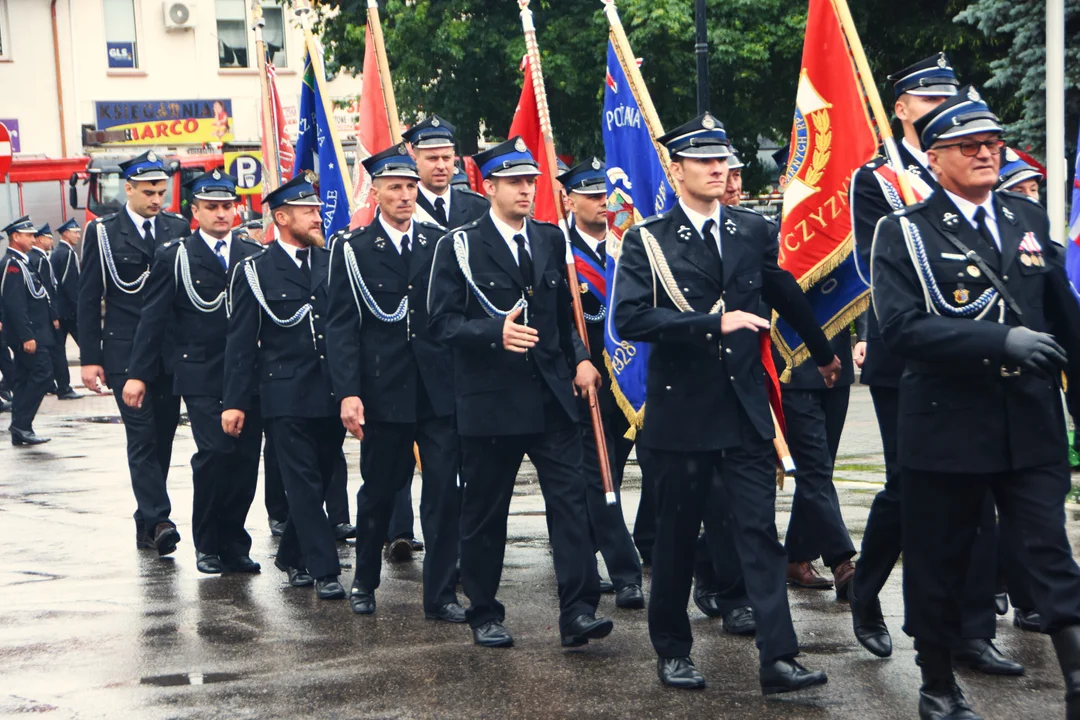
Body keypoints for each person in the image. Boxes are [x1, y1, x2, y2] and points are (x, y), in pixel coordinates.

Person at [872, 84, 1080, 720]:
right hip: (948, 427)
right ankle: (937, 682)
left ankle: (1077, 684)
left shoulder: (1027, 220)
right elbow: (902, 329)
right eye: (969, 146)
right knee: (942, 557)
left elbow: (1065, 323)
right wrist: (1001, 339)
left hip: (1029, 427)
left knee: (1049, 550)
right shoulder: (903, 231)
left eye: (992, 144)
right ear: (936, 159)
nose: (987, 154)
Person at [613, 112, 841, 693]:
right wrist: (709, 324)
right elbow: (631, 317)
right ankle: (673, 648)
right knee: (678, 537)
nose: (719, 170)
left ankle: (779, 658)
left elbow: (779, 287)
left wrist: (820, 348)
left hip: (742, 408)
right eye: (705, 161)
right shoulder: (648, 239)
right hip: (681, 412)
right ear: (676, 169)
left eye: (725, 161)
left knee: (758, 533)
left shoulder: (749, 230)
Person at [847, 54, 1015, 675]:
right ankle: (866, 592)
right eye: (925, 98)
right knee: (908, 488)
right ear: (900, 108)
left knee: (980, 491)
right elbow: (877, 265)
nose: (938, 105)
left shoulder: (976, 169)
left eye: (948, 94)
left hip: (984, 357)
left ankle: (972, 631)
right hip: (909, 356)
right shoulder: (878, 180)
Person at [428, 137, 614, 649]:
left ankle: (577, 611)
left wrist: (580, 357)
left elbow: (562, 315)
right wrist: (493, 332)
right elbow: (440, 324)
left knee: (571, 506)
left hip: (551, 396)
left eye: (531, 180)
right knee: (486, 513)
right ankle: (484, 611)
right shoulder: (460, 245)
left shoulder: (551, 239)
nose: (526, 190)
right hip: (490, 401)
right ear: (489, 187)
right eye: (515, 182)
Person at [326, 143, 464, 622]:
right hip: (383, 391)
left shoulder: (439, 242)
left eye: (411, 187)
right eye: (396, 188)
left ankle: (442, 593)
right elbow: (341, 326)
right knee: (379, 492)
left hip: (436, 390)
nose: (406, 196)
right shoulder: (354, 248)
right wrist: (348, 392)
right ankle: (365, 581)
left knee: (445, 491)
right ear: (377, 192)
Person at [123, 170, 264, 574]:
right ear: (195, 210)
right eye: (212, 207)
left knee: (244, 460)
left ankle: (234, 542)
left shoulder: (251, 254)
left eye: (227, 206)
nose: (222, 214)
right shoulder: (176, 255)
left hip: (247, 372)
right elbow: (153, 318)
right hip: (200, 372)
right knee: (216, 453)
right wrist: (139, 374)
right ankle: (207, 543)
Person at [223, 173, 346, 600]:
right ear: (281, 217)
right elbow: (240, 342)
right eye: (308, 211)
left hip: (332, 389)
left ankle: (293, 555)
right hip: (284, 394)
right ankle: (324, 568)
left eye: (317, 209)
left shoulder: (332, 262)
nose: (318, 216)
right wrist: (234, 402)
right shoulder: (256, 270)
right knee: (303, 482)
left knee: (324, 475)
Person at [78, 151, 190, 556]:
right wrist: (90, 357)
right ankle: (160, 518)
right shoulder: (104, 233)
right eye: (149, 192)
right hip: (125, 353)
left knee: (162, 439)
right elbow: (88, 298)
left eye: (162, 191)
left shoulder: (177, 227)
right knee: (142, 437)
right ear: (129, 189)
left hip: (169, 352)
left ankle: (146, 522)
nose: (157, 199)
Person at [556, 157, 644, 610]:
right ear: (569, 199)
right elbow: (558, 317)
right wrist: (580, 359)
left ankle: (588, 555)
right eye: (590, 195)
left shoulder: (629, 241)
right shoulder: (560, 248)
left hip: (638, 377)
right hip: (589, 379)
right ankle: (626, 573)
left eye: (603, 195)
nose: (600, 203)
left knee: (665, 472)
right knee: (601, 478)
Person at [1, 216, 56, 445]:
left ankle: (21, 427)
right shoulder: (13, 264)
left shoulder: (23, 262)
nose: (33, 239)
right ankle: (21, 425)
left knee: (24, 378)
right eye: (29, 235)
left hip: (36, 331)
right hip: (29, 334)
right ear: (16, 237)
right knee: (43, 375)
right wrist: (27, 336)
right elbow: (15, 304)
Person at [404, 114, 489, 231]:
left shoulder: (478, 207)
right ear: (414, 160)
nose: (441, 166)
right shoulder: (404, 207)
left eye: (446, 158)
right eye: (432, 158)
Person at [51, 218, 82, 398]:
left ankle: (61, 385)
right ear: (65, 234)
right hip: (68, 311)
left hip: (60, 310)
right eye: (75, 232)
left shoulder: (59, 252)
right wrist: (79, 310)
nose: (78, 235)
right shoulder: (67, 253)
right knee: (87, 345)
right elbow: (70, 286)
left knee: (57, 350)